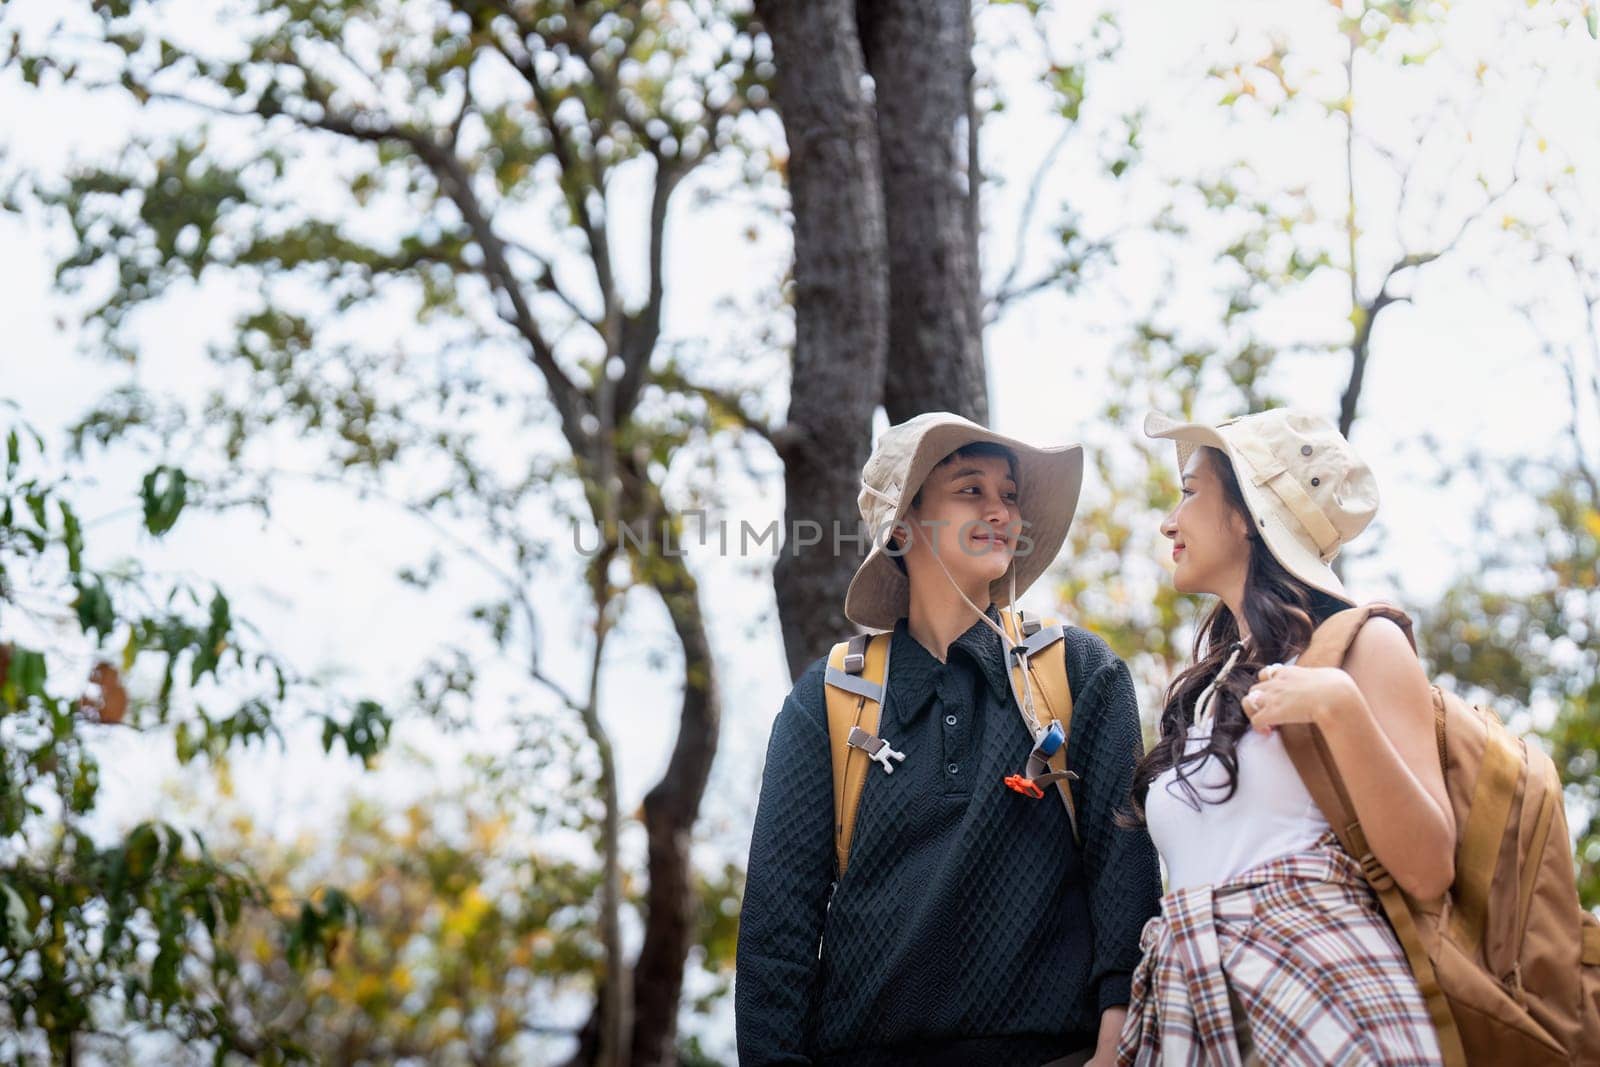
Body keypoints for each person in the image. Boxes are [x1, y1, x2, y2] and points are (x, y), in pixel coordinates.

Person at [736, 411, 1162, 1066]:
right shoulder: (828, 699)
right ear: (904, 524)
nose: (1001, 511)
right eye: (971, 489)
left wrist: (1115, 1048)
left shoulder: (1079, 671)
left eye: (1011, 494)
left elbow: (1124, 873)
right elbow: (776, 934)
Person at [1116, 408, 1453, 1066]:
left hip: (1328, 1004)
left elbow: (1429, 867)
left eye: (1189, 491)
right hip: (1193, 1017)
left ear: (1246, 514)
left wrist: (1343, 709)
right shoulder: (1205, 690)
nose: (1169, 520)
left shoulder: (1365, 645)